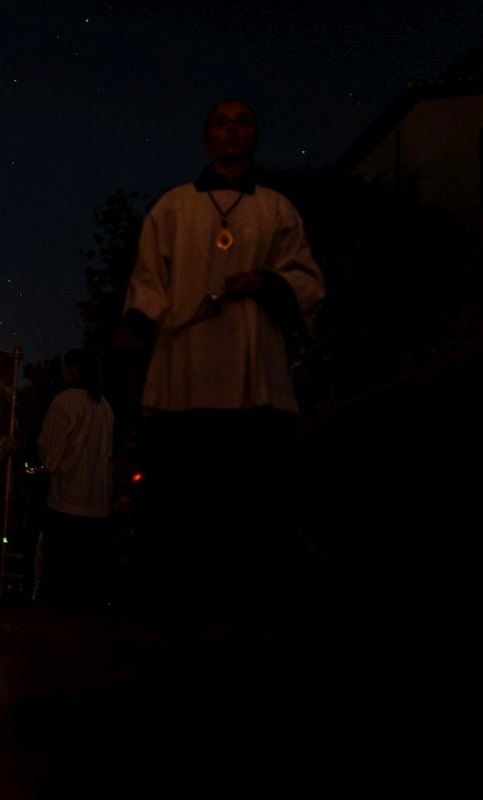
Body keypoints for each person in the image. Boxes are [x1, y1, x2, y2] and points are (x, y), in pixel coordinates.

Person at [113, 98, 326, 629]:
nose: (233, 131)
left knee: (253, 500)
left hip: (255, 374)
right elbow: (146, 280)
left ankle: (252, 610)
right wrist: (137, 326)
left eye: (243, 122)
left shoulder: (278, 209)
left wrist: (265, 282)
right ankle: (179, 611)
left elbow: (305, 282)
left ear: (255, 136)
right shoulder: (174, 208)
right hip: (185, 368)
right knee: (185, 499)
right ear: (207, 138)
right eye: (222, 123)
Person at [35, 349, 115, 608]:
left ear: (74, 371)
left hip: (67, 500)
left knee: (62, 579)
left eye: (65, 369)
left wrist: (48, 464)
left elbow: (50, 446)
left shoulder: (65, 401)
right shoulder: (104, 405)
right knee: (88, 582)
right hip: (98, 502)